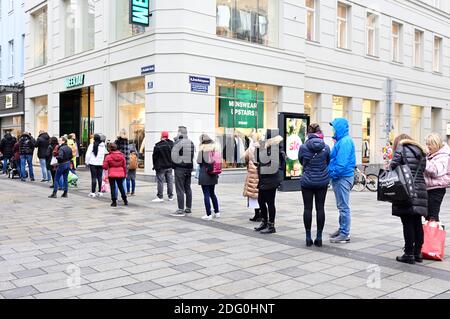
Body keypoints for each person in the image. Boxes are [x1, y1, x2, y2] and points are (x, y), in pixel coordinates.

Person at [390, 134, 428, 264]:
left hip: (406, 189)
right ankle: (418, 253)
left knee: (407, 222)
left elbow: (393, 167)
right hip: (420, 188)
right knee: (417, 221)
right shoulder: (421, 151)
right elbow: (423, 169)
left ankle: (408, 253)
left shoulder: (401, 148)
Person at [299, 124, 331, 247]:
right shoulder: (326, 147)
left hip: (307, 181)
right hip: (322, 181)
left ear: (308, 133)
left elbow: (301, 161)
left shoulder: (303, 147)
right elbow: (327, 162)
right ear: (320, 132)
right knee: (320, 208)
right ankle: (319, 238)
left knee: (307, 208)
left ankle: (308, 238)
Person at [328, 118, 356, 244]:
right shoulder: (341, 141)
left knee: (343, 206)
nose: (333, 130)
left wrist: (331, 174)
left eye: (334, 127)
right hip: (341, 177)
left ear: (339, 128)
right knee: (341, 206)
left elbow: (341, 163)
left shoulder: (345, 142)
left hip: (342, 177)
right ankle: (342, 229)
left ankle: (345, 233)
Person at [254, 129, 286, 234]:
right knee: (261, 201)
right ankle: (264, 221)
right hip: (263, 179)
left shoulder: (276, 149)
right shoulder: (267, 147)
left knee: (270, 203)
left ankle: (271, 225)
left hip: (271, 180)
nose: (263, 137)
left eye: (264, 136)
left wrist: (263, 166)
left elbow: (277, 165)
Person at [424, 133, 450, 222]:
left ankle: (434, 235)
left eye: (430, 144)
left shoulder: (443, 156)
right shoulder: (430, 155)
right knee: (428, 216)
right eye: (426, 144)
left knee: (432, 216)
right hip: (429, 188)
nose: (428, 146)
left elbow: (435, 171)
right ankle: (432, 234)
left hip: (436, 189)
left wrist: (423, 159)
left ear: (436, 144)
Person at [171, 126, 195, 217]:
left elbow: (173, 157)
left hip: (180, 169)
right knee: (187, 188)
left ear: (180, 133)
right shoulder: (191, 143)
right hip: (188, 168)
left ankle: (180, 209)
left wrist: (174, 167)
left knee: (180, 189)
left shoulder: (177, 142)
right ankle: (188, 207)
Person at [197, 134, 220, 220]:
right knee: (212, 193)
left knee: (206, 194)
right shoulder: (215, 148)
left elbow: (198, 161)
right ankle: (217, 212)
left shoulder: (202, 149)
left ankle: (208, 214)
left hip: (205, 175)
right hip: (213, 174)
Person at [243, 132, 261, 222]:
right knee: (260, 193)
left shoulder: (251, 148)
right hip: (261, 174)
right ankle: (262, 213)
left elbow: (245, 157)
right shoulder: (263, 147)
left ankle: (257, 214)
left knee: (253, 194)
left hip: (252, 173)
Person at [103, 143, 128, 207]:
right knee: (121, 187)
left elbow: (105, 167)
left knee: (113, 188)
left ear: (110, 148)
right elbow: (124, 166)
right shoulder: (122, 155)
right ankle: (125, 200)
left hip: (112, 174)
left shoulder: (108, 156)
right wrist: (125, 174)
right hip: (120, 173)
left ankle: (114, 202)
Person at [152, 131, 174, 202]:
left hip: (161, 167)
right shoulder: (172, 144)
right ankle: (170, 196)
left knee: (160, 181)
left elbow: (154, 157)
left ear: (161, 136)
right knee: (170, 181)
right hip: (170, 166)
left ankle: (160, 197)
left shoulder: (158, 145)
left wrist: (154, 166)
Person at [85, 134, 107, 198]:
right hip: (100, 163)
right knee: (100, 177)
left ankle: (93, 192)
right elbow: (105, 154)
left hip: (93, 163)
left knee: (93, 177)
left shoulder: (92, 145)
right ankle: (100, 192)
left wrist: (87, 162)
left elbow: (88, 155)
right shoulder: (103, 146)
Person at [114, 129, 130, 198]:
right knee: (123, 180)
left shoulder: (117, 142)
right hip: (125, 164)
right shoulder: (127, 142)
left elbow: (112, 151)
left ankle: (115, 196)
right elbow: (128, 155)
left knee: (116, 181)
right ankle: (124, 196)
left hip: (117, 164)